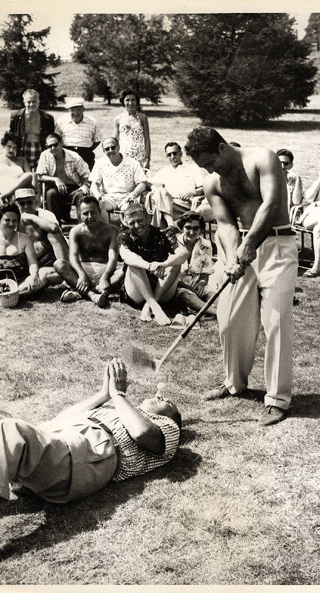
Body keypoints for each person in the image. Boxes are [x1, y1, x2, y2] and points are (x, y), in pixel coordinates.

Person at [185, 127, 298, 427]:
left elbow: (271, 205)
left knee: (274, 322)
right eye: (204, 167)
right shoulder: (213, 183)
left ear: (222, 148)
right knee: (231, 319)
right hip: (242, 248)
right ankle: (234, 382)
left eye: (211, 162)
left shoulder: (263, 158)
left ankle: (276, 400)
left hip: (277, 244)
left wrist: (248, 247)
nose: (209, 170)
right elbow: (225, 223)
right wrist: (235, 255)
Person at [0, 357, 181, 515]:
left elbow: (143, 433)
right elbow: (61, 419)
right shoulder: (121, 409)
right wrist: (104, 394)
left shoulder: (168, 428)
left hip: (87, 455)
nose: (160, 396)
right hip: (58, 442)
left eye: (168, 403)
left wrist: (118, 395)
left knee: (8, 431)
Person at [118, 204, 189, 325]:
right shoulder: (125, 236)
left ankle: (150, 304)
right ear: (126, 223)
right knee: (134, 263)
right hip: (136, 291)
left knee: (176, 263)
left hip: (161, 289)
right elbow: (126, 256)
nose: (137, 226)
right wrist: (150, 266)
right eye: (132, 223)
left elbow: (184, 253)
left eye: (140, 220)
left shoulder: (164, 234)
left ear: (149, 218)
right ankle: (155, 306)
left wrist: (164, 264)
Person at [59, 196, 124, 308]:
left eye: (93, 213)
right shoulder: (76, 231)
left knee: (125, 270)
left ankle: (80, 291)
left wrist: (105, 277)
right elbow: (73, 257)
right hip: (85, 269)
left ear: (99, 211)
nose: (90, 217)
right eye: (85, 213)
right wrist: (81, 275)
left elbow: (113, 258)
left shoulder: (112, 230)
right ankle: (93, 294)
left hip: (105, 270)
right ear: (79, 214)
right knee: (59, 264)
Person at [14, 188, 71, 286]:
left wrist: (32, 217)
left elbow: (54, 228)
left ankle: (66, 271)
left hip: (54, 258)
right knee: (42, 276)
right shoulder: (15, 220)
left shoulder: (45, 214)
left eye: (29, 202)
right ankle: (63, 278)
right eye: (22, 204)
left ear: (36, 202)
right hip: (34, 263)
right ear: (17, 205)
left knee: (53, 235)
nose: (26, 206)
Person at [0, 203, 43, 300]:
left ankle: (1, 297)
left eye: (14, 221)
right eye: (7, 220)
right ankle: (12, 296)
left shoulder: (25, 239)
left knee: (43, 275)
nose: (11, 224)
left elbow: (33, 263)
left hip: (19, 284)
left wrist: (33, 276)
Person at [35, 133, 91, 224]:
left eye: (55, 144)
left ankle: (83, 226)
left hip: (75, 188)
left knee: (81, 195)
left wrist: (85, 186)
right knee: (50, 194)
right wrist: (56, 179)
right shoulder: (45, 155)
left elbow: (87, 176)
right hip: (56, 188)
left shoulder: (74, 156)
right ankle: (56, 226)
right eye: (50, 146)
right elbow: (39, 176)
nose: (53, 148)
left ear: (61, 143)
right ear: (46, 146)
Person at [90, 137, 148, 220]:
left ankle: (128, 231)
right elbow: (94, 184)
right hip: (108, 198)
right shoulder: (100, 163)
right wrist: (98, 195)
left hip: (127, 196)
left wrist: (134, 194)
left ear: (118, 147)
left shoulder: (132, 162)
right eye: (107, 149)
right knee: (97, 205)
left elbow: (142, 184)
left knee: (131, 209)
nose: (110, 150)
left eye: (113, 147)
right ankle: (106, 230)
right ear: (103, 151)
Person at [150, 142, 206, 225]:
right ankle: (170, 225)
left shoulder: (192, 168)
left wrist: (192, 192)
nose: (172, 157)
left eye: (175, 153)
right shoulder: (164, 171)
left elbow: (204, 188)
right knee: (159, 192)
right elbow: (150, 184)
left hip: (185, 204)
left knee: (158, 209)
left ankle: (163, 230)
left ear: (181, 154)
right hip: (169, 203)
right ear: (166, 156)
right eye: (169, 155)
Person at [175, 211, 217, 317]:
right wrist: (190, 289)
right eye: (188, 227)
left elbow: (205, 273)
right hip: (178, 287)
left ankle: (228, 311)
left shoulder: (206, 245)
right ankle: (218, 313)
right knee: (186, 296)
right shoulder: (173, 243)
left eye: (195, 228)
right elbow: (170, 276)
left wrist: (201, 284)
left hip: (197, 286)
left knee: (214, 296)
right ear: (182, 228)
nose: (191, 232)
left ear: (201, 230)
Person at [9, 89, 55, 171]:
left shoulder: (47, 118)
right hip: (22, 150)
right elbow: (11, 136)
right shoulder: (16, 116)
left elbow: (51, 138)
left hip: (41, 150)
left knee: (41, 177)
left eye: (34, 101)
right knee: (22, 177)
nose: (31, 104)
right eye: (28, 102)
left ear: (39, 101)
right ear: (24, 102)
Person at [0, 131, 33, 205]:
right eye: (9, 146)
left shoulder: (22, 160)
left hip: (17, 192)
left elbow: (30, 177)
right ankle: (0, 197)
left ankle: (2, 197)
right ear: (3, 145)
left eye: (14, 148)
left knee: (29, 175)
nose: (11, 150)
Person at [55, 98, 101, 170]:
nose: (76, 113)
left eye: (78, 110)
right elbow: (56, 138)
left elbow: (97, 140)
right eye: (72, 110)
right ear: (69, 110)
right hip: (66, 153)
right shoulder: (61, 121)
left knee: (87, 178)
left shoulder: (92, 122)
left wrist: (86, 149)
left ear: (83, 109)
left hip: (86, 155)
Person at [113, 90, 151, 171]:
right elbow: (114, 140)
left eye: (133, 100)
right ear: (123, 101)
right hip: (123, 156)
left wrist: (147, 158)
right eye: (127, 100)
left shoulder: (142, 117)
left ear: (137, 102)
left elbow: (147, 139)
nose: (130, 103)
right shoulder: (118, 119)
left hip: (140, 157)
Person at [276, 149, 304, 219]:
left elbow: (296, 201)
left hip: (287, 218)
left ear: (291, 166)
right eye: (279, 163)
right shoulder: (268, 179)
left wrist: (298, 179)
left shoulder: (294, 181)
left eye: (285, 163)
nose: (282, 166)